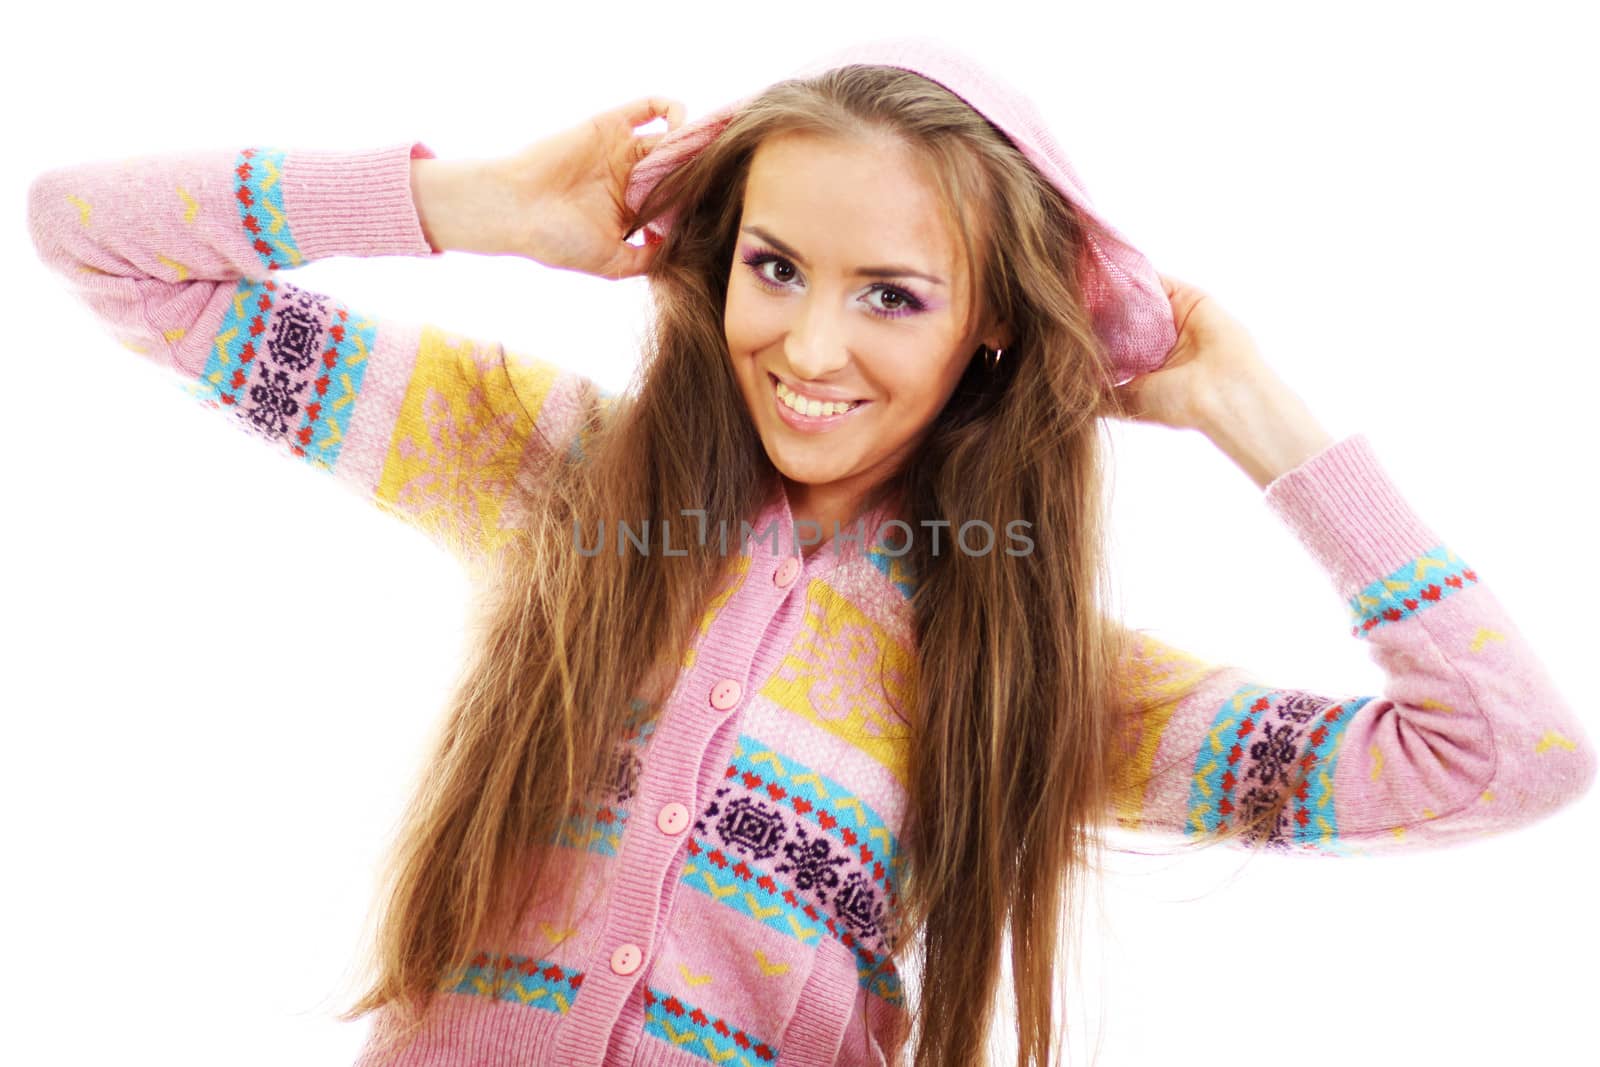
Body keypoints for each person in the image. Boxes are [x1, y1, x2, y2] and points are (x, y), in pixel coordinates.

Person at [25, 34, 1595, 1067]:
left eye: (894, 293)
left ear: (992, 331)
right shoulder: (555, 470)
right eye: (775, 267)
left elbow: (1506, 755)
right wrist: (471, 205)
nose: (810, 343)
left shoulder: (1028, 680)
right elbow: (97, 237)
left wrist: (1265, 420)